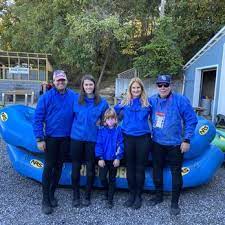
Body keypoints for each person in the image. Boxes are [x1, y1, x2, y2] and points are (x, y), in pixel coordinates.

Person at [149, 74, 198, 216]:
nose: (163, 88)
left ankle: (174, 203)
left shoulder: (181, 100)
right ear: (156, 86)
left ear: (171, 85)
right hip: (157, 143)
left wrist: (187, 139)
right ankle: (158, 196)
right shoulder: (152, 100)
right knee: (156, 170)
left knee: (176, 173)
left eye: (165, 85)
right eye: (160, 85)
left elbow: (191, 120)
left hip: (175, 144)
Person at [33, 70, 76, 215]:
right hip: (51, 139)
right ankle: (45, 200)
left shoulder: (73, 96)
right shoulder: (46, 97)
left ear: (66, 80)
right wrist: (39, 138)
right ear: (53, 81)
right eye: (58, 80)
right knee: (49, 167)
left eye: (63, 80)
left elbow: (85, 107)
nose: (61, 82)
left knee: (59, 167)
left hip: (66, 139)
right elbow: (37, 118)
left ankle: (52, 194)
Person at [70, 74, 109, 207]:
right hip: (76, 138)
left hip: (92, 139)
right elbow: (68, 117)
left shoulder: (102, 103)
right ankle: (75, 195)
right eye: (86, 85)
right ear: (82, 86)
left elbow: (108, 120)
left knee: (91, 167)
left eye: (90, 84)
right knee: (76, 167)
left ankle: (87, 195)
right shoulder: (76, 100)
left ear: (94, 86)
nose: (88, 87)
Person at [114, 77, 151, 209]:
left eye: (138, 88)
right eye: (133, 88)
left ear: (142, 89)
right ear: (130, 89)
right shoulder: (124, 102)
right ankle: (131, 195)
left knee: (140, 168)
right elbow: (112, 113)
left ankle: (138, 196)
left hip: (143, 138)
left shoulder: (148, 103)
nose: (136, 90)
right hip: (128, 138)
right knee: (130, 167)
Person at [95, 108, 124, 209]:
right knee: (102, 178)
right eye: (108, 119)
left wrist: (118, 157)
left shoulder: (119, 130)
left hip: (114, 160)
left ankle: (110, 200)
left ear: (116, 119)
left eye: (112, 118)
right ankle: (107, 191)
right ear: (105, 121)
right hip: (104, 159)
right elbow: (98, 145)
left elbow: (121, 144)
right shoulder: (101, 131)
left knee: (112, 179)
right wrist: (100, 158)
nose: (110, 121)